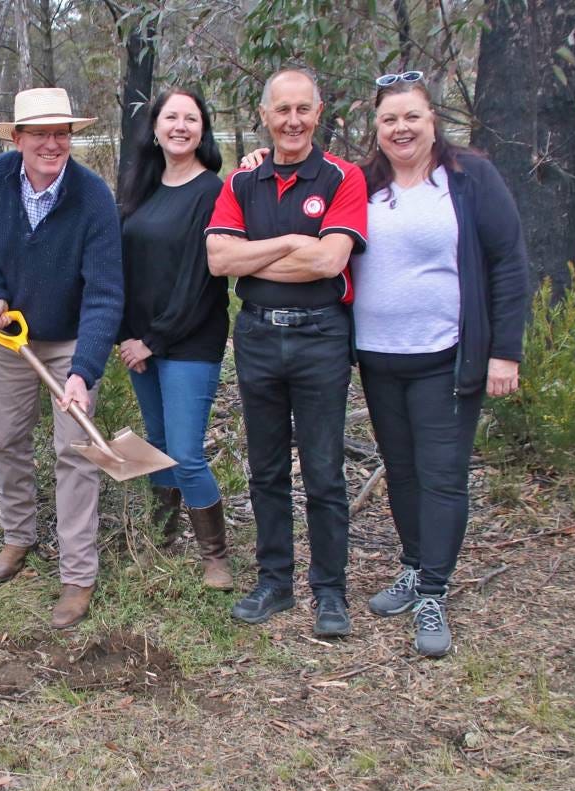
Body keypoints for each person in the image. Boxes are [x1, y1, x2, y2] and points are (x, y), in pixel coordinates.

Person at [353, 72, 526, 656]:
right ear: (375, 128)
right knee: (401, 471)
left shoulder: (470, 177)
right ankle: (413, 566)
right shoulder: (363, 183)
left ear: (433, 122)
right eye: (389, 120)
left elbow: (507, 263)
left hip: (445, 356)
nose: (401, 128)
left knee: (442, 473)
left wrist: (504, 351)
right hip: (379, 357)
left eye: (412, 118)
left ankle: (433, 590)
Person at [206, 69, 367, 638]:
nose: (293, 120)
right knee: (267, 468)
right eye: (283, 110)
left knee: (323, 470)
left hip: (320, 335)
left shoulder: (343, 177)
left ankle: (330, 592)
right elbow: (220, 261)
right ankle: (274, 581)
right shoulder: (244, 180)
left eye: (303, 109)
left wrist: (256, 253)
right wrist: (295, 243)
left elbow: (330, 262)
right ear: (265, 114)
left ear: (318, 111)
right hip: (256, 334)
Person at [0, 87, 124, 629]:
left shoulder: (93, 197)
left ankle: (78, 574)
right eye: (40, 134)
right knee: (8, 440)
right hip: (12, 339)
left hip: (72, 341)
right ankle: (17, 536)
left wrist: (84, 371)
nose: (52, 144)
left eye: (62, 134)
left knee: (75, 452)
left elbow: (105, 293)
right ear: (19, 138)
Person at [116, 87, 232, 589]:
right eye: (171, 117)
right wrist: (127, 337)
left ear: (203, 129)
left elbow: (199, 281)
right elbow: (122, 268)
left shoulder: (213, 191)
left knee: (185, 451)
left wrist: (154, 340)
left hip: (188, 343)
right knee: (158, 443)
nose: (180, 125)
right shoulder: (141, 188)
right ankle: (161, 540)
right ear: (156, 128)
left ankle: (215, 557)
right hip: (142, 343)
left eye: (191, 117)